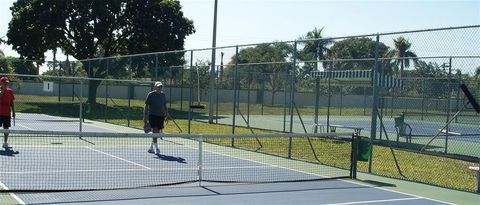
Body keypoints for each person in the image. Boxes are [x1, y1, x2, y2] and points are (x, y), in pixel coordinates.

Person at [144, 81, 171, 154]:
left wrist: (167, 115)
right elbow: (146, 106)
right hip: (152, 115)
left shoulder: (163, 95)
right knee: (155, 131)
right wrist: (145, 117)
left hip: (161, 116)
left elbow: (165, 105)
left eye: (161, 86)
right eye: (158, 86)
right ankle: (157, 148)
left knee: (157, 132)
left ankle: (151, 147)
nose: (160, 88)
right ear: (155, 87)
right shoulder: (150, 94)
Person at [0, 77, 15, 149]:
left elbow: (11, 102)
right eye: (5, 82)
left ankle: (5, 143)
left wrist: (14, 111)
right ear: (1, 83)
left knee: (6, 128)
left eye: (7, 83)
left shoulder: (10, 91)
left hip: (7, 113)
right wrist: (2, 90)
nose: (6, 84)